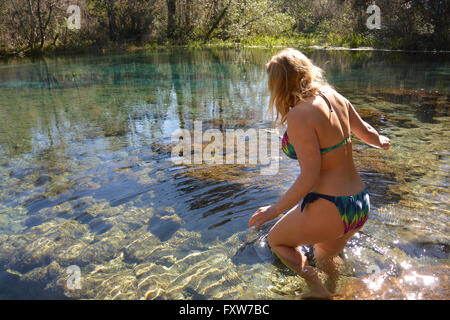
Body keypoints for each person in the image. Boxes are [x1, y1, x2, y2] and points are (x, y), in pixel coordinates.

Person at [248, 48, 391, 299]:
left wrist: (274, 210)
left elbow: (310, 177)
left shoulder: (299, 115)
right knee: (325, 254)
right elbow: (366, 131)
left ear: (279, 85)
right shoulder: (334, 95)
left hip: (332, 206)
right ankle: (336, 291)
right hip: (359, 205)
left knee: (277, 241)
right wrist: (380, 141)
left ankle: (314, 284)